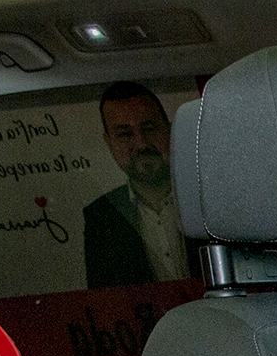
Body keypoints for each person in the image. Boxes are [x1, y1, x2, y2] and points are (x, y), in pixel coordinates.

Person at [83, 81, 196, 289]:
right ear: (109, 143)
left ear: (170, 130)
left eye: (149, 128)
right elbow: (107, 300)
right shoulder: (99, 217)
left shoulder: (208, 196)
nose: (142, 144)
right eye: (125, 134)